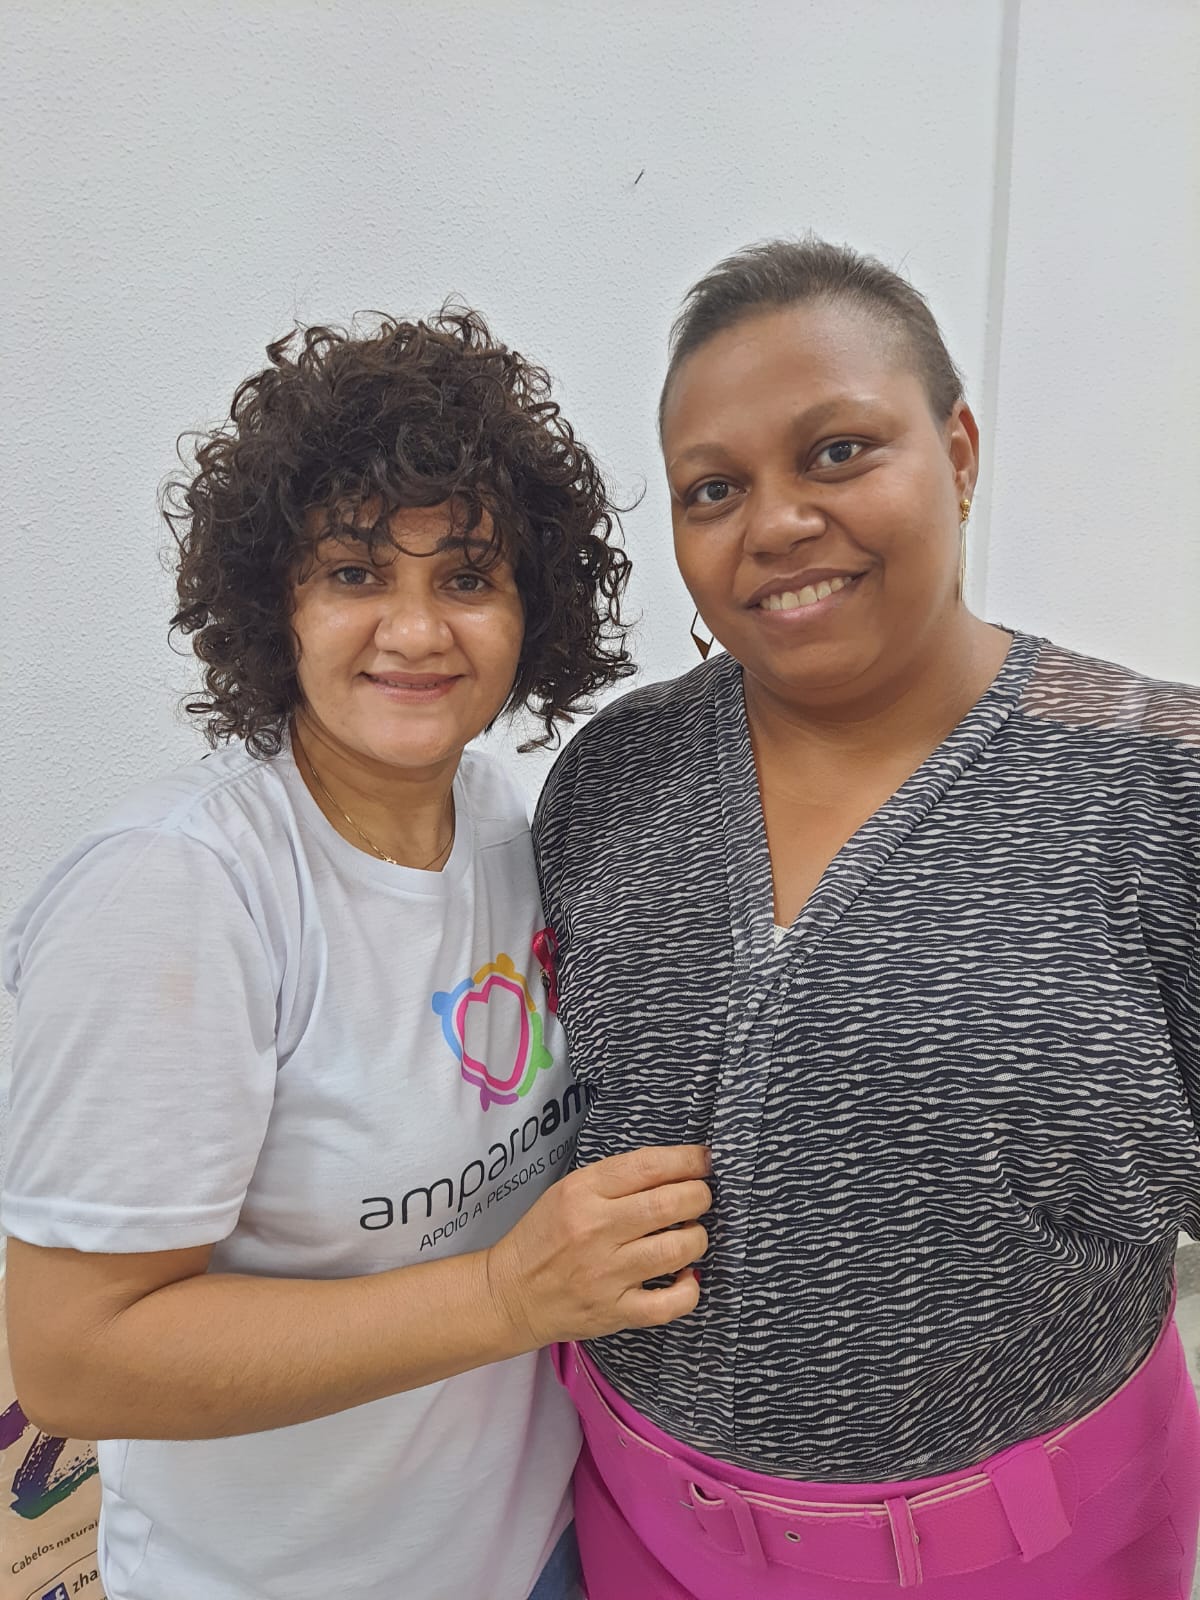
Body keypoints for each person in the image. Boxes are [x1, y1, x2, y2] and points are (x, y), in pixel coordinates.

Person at [1, 309, 712, 1600]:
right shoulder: (180, 890)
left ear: (533, 609)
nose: (417, 631)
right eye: (354, 573)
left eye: (468, 578)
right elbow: (71, 1360)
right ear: (272, 602)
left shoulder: (507, 826)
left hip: (539, 1552)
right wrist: (507, 1297)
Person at [533, 238, 1200, 1600]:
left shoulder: (1158, 780)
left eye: (838, 452)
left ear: (958, 451)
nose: (776, 523)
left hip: (1041, 1555)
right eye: (714, 489)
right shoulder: (611, 779)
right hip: (639, 1525)